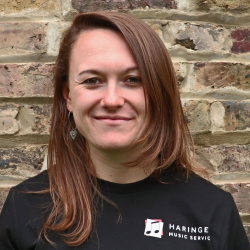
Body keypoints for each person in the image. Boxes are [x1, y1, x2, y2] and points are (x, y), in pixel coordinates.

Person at [0, 12, 249, 250]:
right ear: (68, 96)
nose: (111, 100)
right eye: (92, 81)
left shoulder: (212, 210)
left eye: (133, 80)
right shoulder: (25, 206)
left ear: (159, 93)